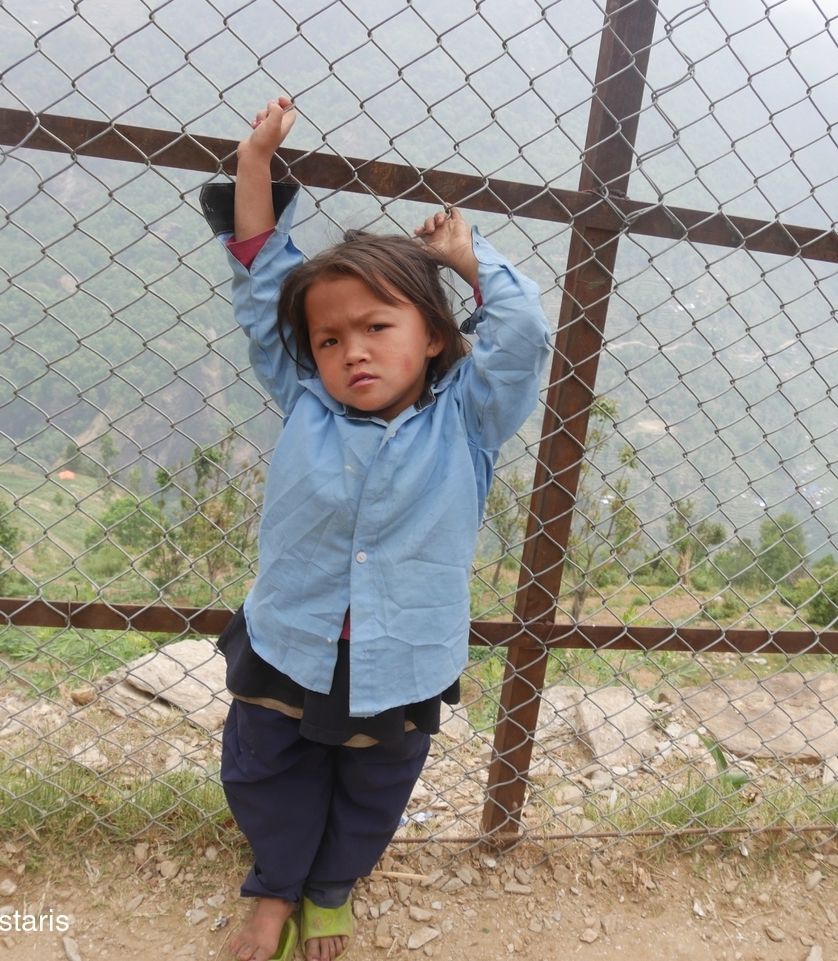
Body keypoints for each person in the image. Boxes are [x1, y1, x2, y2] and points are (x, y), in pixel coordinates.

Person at [207, 96, 551, 961]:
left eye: (377, 327)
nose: (352, 350)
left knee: (373, 781)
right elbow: (262, 282)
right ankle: (275, 885)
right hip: (292, 636)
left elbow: (522, 334)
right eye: (329, 339)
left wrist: (469, 259)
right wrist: (255, 165)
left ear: (433, 337)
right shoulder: (304, 399)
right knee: (264, 766)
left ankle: (331, 889)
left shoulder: (469, 417)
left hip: (401, 654)